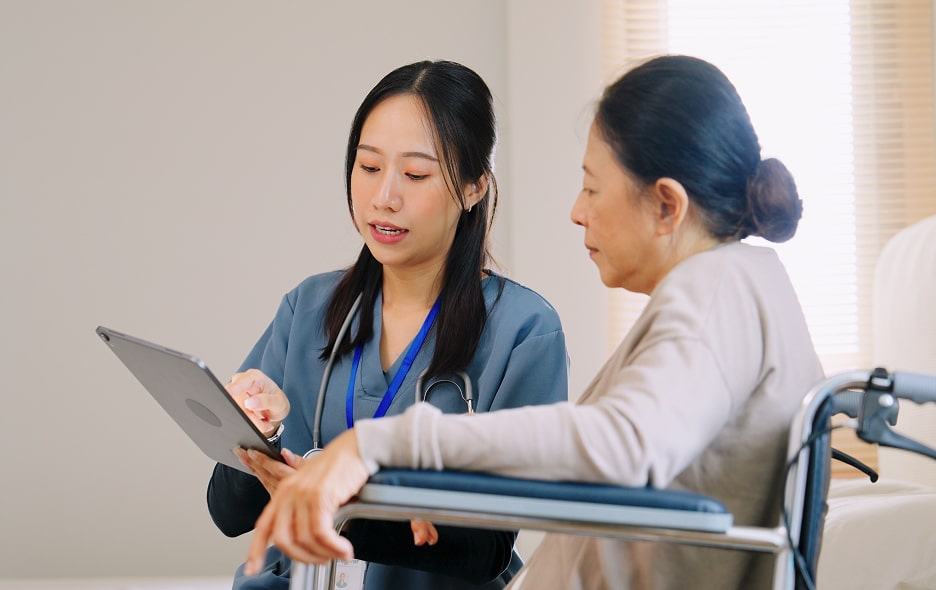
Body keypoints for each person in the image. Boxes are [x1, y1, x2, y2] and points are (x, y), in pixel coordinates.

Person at [242, 54, 826, 590]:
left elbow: (624, 446)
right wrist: (435, 482)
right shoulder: (748, 283)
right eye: (369, 167)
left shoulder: (718, 289)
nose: (577, 211)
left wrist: (391, 446)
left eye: (593, 187)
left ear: (666, 206)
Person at [206, 59, 570, 590]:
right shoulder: (308, 307)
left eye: (416, 174)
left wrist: (337, 507)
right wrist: (258, 438)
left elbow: (486, 550)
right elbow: (226, 513)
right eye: (369, 167)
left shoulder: (523, 332)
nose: (384, 198)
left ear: (473, 188)